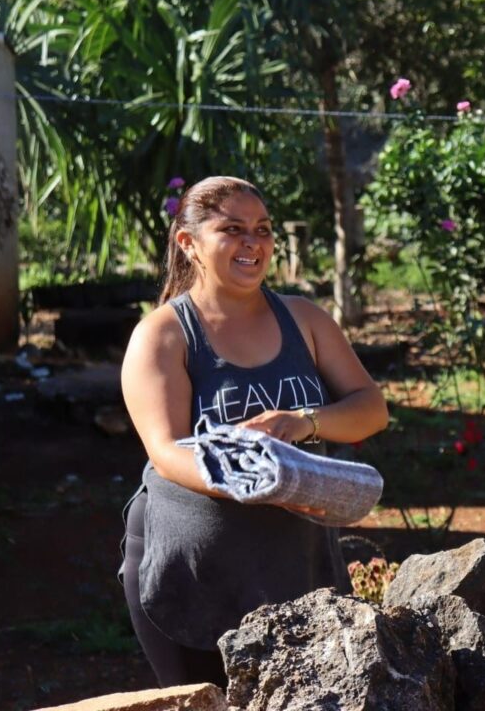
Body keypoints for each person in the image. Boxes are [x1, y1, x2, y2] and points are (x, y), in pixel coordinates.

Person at [119, 176, 389, 687]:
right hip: (192, 572)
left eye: (263, 229)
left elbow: (371, 408)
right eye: (233, 229)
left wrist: (304, 421)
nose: (253, 243)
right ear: (188, 243)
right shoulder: (164, 334)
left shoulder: (305, 319)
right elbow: (167, 451)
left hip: (297, 564)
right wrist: (263, 482)